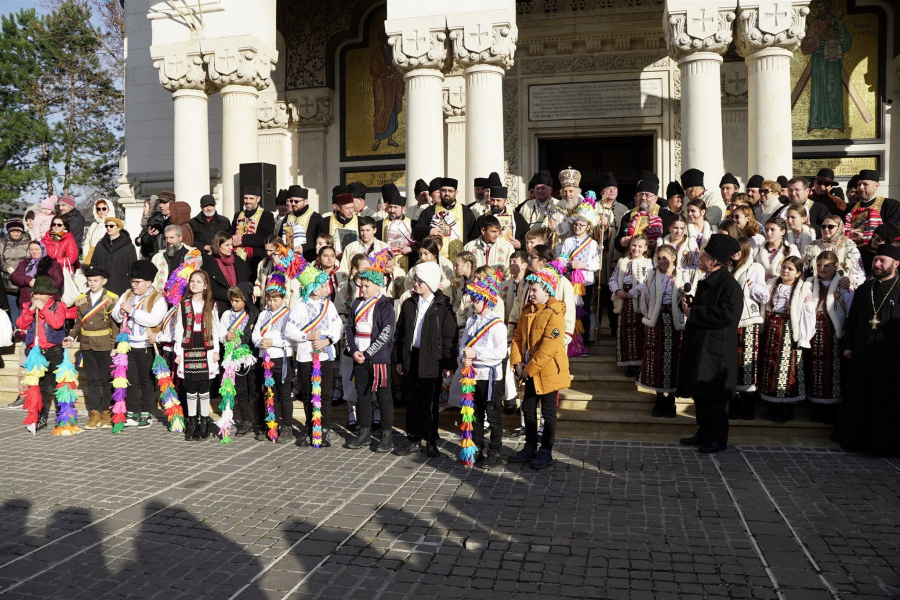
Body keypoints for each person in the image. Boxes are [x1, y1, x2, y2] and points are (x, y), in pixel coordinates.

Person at [677, 234, 743, 453]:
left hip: (716, 351)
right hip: (701, 346)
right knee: (702, 393)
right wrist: (689, 304)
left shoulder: (729, 284)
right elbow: (703, 308)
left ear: (714, 261)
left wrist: (695, 311)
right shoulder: (708, 281)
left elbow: (728, 314)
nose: (700, 257)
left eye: (704, 255)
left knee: (715, 397)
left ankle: (717, 438)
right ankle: (703, 432)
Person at [832, 244, 900, 455]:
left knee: (884, 399)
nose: (877, 265)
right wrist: (848, 346)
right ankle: (854, 440)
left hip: (890, 355)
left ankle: (882, 445)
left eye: (883, 261)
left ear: (896, 264)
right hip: (862, 351)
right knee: (858, 395)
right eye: (875, 260)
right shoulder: (864, 288)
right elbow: (852, 321)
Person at [508, 268, 570, 469]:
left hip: (549, 371)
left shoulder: (555, 313)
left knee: (548, 412)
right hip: (528, 370)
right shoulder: (527, 310)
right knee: (527, 408)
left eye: (534, 290)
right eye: (530, 290)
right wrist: (517, 362)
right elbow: (517, 337)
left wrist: (529, 369)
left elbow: (549, 346)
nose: (531, 294)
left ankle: (545, 451)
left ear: (547, 291)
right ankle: (530, 446)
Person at [344, 252, 397, 451]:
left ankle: (386, 435)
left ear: (377, 286)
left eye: (367, 286)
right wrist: (354, 350)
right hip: (359, 356)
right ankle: (364, 431)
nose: (363, 289)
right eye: (362, 285)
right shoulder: (357, 303)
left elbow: (386, 333)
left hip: (378, 358)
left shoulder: (385, 305)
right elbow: (349, 328)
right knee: (362, 395)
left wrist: (368, 353)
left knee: (383, 397)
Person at [457, 270, 507, 469]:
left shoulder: (498, 325)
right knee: (475, 413)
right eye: (472, 299)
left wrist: (474, 353)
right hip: (472, 375)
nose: (472, 303)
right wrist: (463, 356)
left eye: (476, 300)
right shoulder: (471, 321)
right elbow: (464, 344)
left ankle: (494, 450)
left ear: (486, 301)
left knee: (492, 414)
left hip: (491, 376)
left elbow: (500, 352)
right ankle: (476, 447)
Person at [289, 263, 342, 447]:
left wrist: (328, 341)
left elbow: (338, 327)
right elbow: (289, 330)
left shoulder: (329, 306)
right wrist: (307, 336)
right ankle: (310, 428)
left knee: (324, 394)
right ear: (313, 288)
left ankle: (324, 430)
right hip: (305, 356)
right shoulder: (300, 307)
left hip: (325, 356)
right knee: (307, 394)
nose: (326, 288)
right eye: (322, 285)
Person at [111, 260, 167, 430]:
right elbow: (116, 315)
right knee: (131, 380)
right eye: (132, 281)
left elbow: (154, 319)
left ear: (149, 282)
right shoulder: (127, 294)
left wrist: (132, 311)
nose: (133, 285)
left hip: (146, 346)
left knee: (146, 381)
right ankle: (133, 411)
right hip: (128, 345)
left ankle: (146, 412)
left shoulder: (158, 298)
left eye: (137, 282)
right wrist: (121, 312)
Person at [758, 257, 813, 423]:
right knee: (771, 368)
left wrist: (804, 337)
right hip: (771, 330)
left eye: (789, 269)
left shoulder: (803, 289)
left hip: (788, 331)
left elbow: (808, 314)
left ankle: (787, 408)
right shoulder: (772, 284)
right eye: (783, 267)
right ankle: (774, 404)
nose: (785, 271)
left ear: (798, 273)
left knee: (786, 370)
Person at [63, 266, 119, 430]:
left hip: (105, 344)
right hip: (87, 344)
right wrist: (71, 336)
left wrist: (114, 345)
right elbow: (79, 322)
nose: (92, 283)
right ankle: (94, 413)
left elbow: (115, 325)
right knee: (93, 381)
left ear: (104, 281)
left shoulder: (112, 299)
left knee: (107, 380)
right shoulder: (81, 299)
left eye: (96, 280)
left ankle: (107, 413)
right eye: (89, 280)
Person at [635, 244, 684, 417]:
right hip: (656, 321)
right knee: (654, 358)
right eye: (658, 258)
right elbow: (646, 297)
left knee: (673, 358)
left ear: (673, 257)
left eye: (665, 257)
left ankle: (671, 399)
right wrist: (648, 316)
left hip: (675, 321)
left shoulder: (682, 274)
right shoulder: (652, 274)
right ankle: (659, 398)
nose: (661, 261)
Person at [804, 251, 853, 424]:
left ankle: (831, 408)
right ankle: (816, 406)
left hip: (832, 332)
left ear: (836, 266)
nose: (822, 269)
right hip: (813, 330)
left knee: (833, 369)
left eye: (827, 266)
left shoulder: (842, 285)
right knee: (814, 368)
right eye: (819, 265)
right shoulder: (809, 283)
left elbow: (849, 309)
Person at [174, 270, 221, 441]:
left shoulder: (211, 305)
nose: (194, 284)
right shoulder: (184, 304)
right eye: (192, 281)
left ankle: (204, 422)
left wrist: (216, 351)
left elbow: (215, 329)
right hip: (189, 346)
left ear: (206, 285)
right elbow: (179, 329)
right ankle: (192, 422)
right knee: (191, 386)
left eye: (199, 282)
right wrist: (178, 352)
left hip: (205, 346)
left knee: (203, 387)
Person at [17, 276, 67, 432]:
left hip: (54, 352)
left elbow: (57, 323)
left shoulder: (59, 306)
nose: (38, 296)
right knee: (40, 388)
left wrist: (43, 309)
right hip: (36, 354)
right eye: (36, 293)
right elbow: (21, 324)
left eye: (42, 293)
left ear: (50, 295)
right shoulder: (29, 306)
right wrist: (30, 310)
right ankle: (41, 418)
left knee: (58, 386)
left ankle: (62, 418)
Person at [253, 283, 301, 443]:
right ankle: (271, 424)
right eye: (269, 299)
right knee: (269, 393)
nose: (271, 303)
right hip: (265, 359)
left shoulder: (288, 314)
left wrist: (273, 341)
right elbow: (255, 334)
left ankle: (287, 427)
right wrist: (260, 342)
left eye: (275, 299)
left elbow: (290, 338)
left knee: (284, 394)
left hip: (281, 358)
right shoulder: (263, 314)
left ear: (283, 298)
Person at [729, 238, 770, 421]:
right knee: (733, 363)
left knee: (747, 361)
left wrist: (753, 288)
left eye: (739, 249)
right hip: (731, 321)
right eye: (733, 249)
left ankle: (748, 405)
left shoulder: (755, 268)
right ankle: (734, 402)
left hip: (748, 319)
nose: (736, 252)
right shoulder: (728, 268)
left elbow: (764, 295)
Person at [556, 204, 601, 352]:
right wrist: (568, 265)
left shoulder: (593, 243)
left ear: (588, 227)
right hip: (570, 279)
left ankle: (584, 342)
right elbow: (562, 259)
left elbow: (596, 264)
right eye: (576, 224)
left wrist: (583, 264)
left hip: (585, 282)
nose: (578, 227)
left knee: (585, 311)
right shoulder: (568, 241)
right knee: (569, 310)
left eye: (581, 225)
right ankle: (569, 342)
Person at [218, 282, 259, 436]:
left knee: (254, 390)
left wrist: (245, 339)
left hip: (251, 357)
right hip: (234, 358)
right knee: (241, 390)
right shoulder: (226, 315)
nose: (234, 304)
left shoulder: (253, 314)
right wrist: (225, 337)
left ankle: (259, 420)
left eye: (237, 301)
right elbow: (220, 334)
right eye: (232, 300)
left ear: (245, 300)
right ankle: (246, 420)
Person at [609, 234, 652, 377]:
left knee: (639, 332)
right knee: (625, 332)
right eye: (634, 245)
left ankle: (640, 364)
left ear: (645, 248)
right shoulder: (623, 261)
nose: (636, 248)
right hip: (624, 300)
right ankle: (630, 364)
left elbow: (648, 281)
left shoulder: (649, 263)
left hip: (639, 300)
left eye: (640, 246)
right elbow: (613, 279)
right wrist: (617, 290)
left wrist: (635, 290)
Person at [413, 178, 476, 263]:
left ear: (456, 192)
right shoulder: (429, 211)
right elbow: (416, 232)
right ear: (440, 191)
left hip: (460, 262)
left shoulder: (466, 212)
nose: (446, 193)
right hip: (435, 262)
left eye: (450, 191)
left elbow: (473, 237)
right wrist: (430, 230)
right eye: (443, 190)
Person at [802, 215, 864, 288]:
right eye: (823, 226)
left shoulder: (850, 247)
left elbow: (860, 275)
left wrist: (850, 279)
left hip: (840, 290)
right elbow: (802, 271)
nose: (826, 229)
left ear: (839, 228)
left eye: (830, 227)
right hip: (813, 288)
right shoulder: (811, 246)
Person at [203, 231, 251, 316]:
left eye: (232, 244)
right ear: (218, 247)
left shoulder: (239, 262)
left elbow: (245, 282)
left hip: (240, 306)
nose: (231, 248)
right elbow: (212, 288)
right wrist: (232, 295)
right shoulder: (209, 263)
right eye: (227, 245)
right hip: (220, 306)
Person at [232, 185, 276, 275]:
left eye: (251, 198)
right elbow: (231, 233)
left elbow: (266, 237)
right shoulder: (237, 215)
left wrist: (243, 239)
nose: (248, 201)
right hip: (237, 259)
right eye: (246, 198)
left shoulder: (267, 215)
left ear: (258, 199)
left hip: (255, 260)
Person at [88, 217, 137, 297]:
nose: (108, 228)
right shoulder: (100, 245)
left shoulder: (129, 247)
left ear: (119, 228)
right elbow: (93, 263)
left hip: (121, 287)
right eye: (106, 226)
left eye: (111, 226)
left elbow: (133, 268)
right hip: (102, 288)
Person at [277, 185, 323, 261]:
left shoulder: (316, 218)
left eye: (296, 201)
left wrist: (304, 247)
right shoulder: (288, 217)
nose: (293, 203)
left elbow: (320, 241)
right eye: (291, 201)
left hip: (307, 259)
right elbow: (280, 237)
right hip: (288, 259)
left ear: (306, 201)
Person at [378, 184, 416, 272]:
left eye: (395, 207)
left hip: (409, 266)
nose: (392, 210)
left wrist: (411, 249)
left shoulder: (413, 223)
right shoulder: (379, 225)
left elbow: (421, 244)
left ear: (403, 208)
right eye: (390, 207)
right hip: (386, 268)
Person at [1, 219, 31, 324]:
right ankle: (15, 330)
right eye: (13, 231)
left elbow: (30, 259)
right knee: (13, 307)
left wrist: (21, 271)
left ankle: (23, 329)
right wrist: (7, 268)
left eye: (18, 231)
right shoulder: (3, 242)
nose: (16, 234)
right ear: (9, 231)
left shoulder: (28, 242)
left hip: (23, 280)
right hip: (8, 280)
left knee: (23, 306)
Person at [151, 224, 195, 294]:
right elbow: (153, 280)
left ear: (180, 238)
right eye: (166, 238)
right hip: (162, 297)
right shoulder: (158, 257)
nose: (168, 240)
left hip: (184, 296)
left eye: (171, 237)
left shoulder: (192, 255)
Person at [754, 217, 800, 281]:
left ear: (782, 232)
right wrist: (760, 276)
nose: (768, 233)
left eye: (772, 230)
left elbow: (798, 272)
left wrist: (778, 278)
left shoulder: (791, 250)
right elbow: (751, 270)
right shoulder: (757, 250)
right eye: (766, 230)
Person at [83, 198, 118, 264]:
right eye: (98, 209)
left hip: (108, 260)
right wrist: (86, 257)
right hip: (92, 259)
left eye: (104, 208)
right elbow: (87, 243)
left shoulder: (116, 223)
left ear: (109, 209)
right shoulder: (94, 225)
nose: (101, 211)